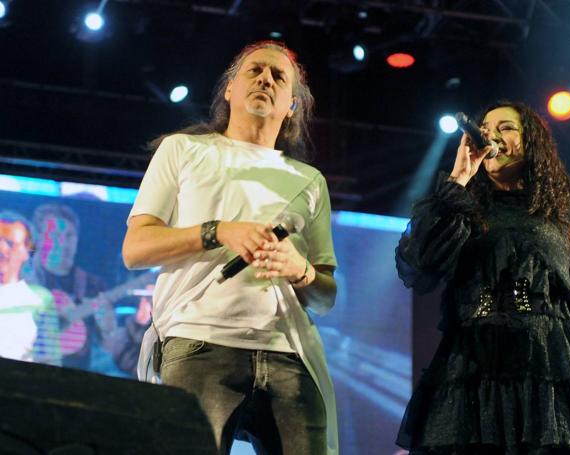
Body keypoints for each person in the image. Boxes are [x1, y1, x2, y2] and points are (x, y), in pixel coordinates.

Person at [395, 101, 570, 454]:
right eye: (486, 127)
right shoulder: (461, 210)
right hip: (474, 369)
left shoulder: (568, 214)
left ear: (532, 142)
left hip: (550, 368)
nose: (491, 134)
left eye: (505, 127)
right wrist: (458, 181)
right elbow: (419, 264)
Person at [122, 40, 338, 455]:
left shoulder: (310, 181)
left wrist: (302, 271)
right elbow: (135, 248)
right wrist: (217, 230)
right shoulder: (183, 150)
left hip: (289, 353)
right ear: (229, 90)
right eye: (254, 71)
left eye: (278, 77)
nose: (265, 79)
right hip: (200, 344)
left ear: (291, 105)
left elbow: (326, 298)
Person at [31, 203, 115, 370]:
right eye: (55, 235)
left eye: (69, 236)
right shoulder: (18, 276)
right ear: (38, 238)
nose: (63, 243)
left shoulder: (94, 285)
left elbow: (109, 348)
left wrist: (107, 329)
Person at [0, 210, 58, 364]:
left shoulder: (40, 299)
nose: (2, 249)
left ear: (26, 251)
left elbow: (51, 358)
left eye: (10, 243)